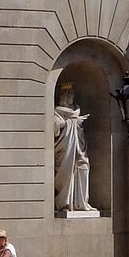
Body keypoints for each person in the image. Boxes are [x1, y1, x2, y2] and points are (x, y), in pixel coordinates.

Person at [53, 81, 92, 212]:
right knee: (67, 174)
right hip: (65, 151)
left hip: (79, 149)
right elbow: (56, 130)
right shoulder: (57, 113)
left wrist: (77, 123)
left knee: (84, 168)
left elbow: (79, 132)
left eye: (72, 94)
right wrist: (71, 123)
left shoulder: (77, 111)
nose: (72, 96)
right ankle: (64, 203)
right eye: (69, 94)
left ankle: (81, 203)